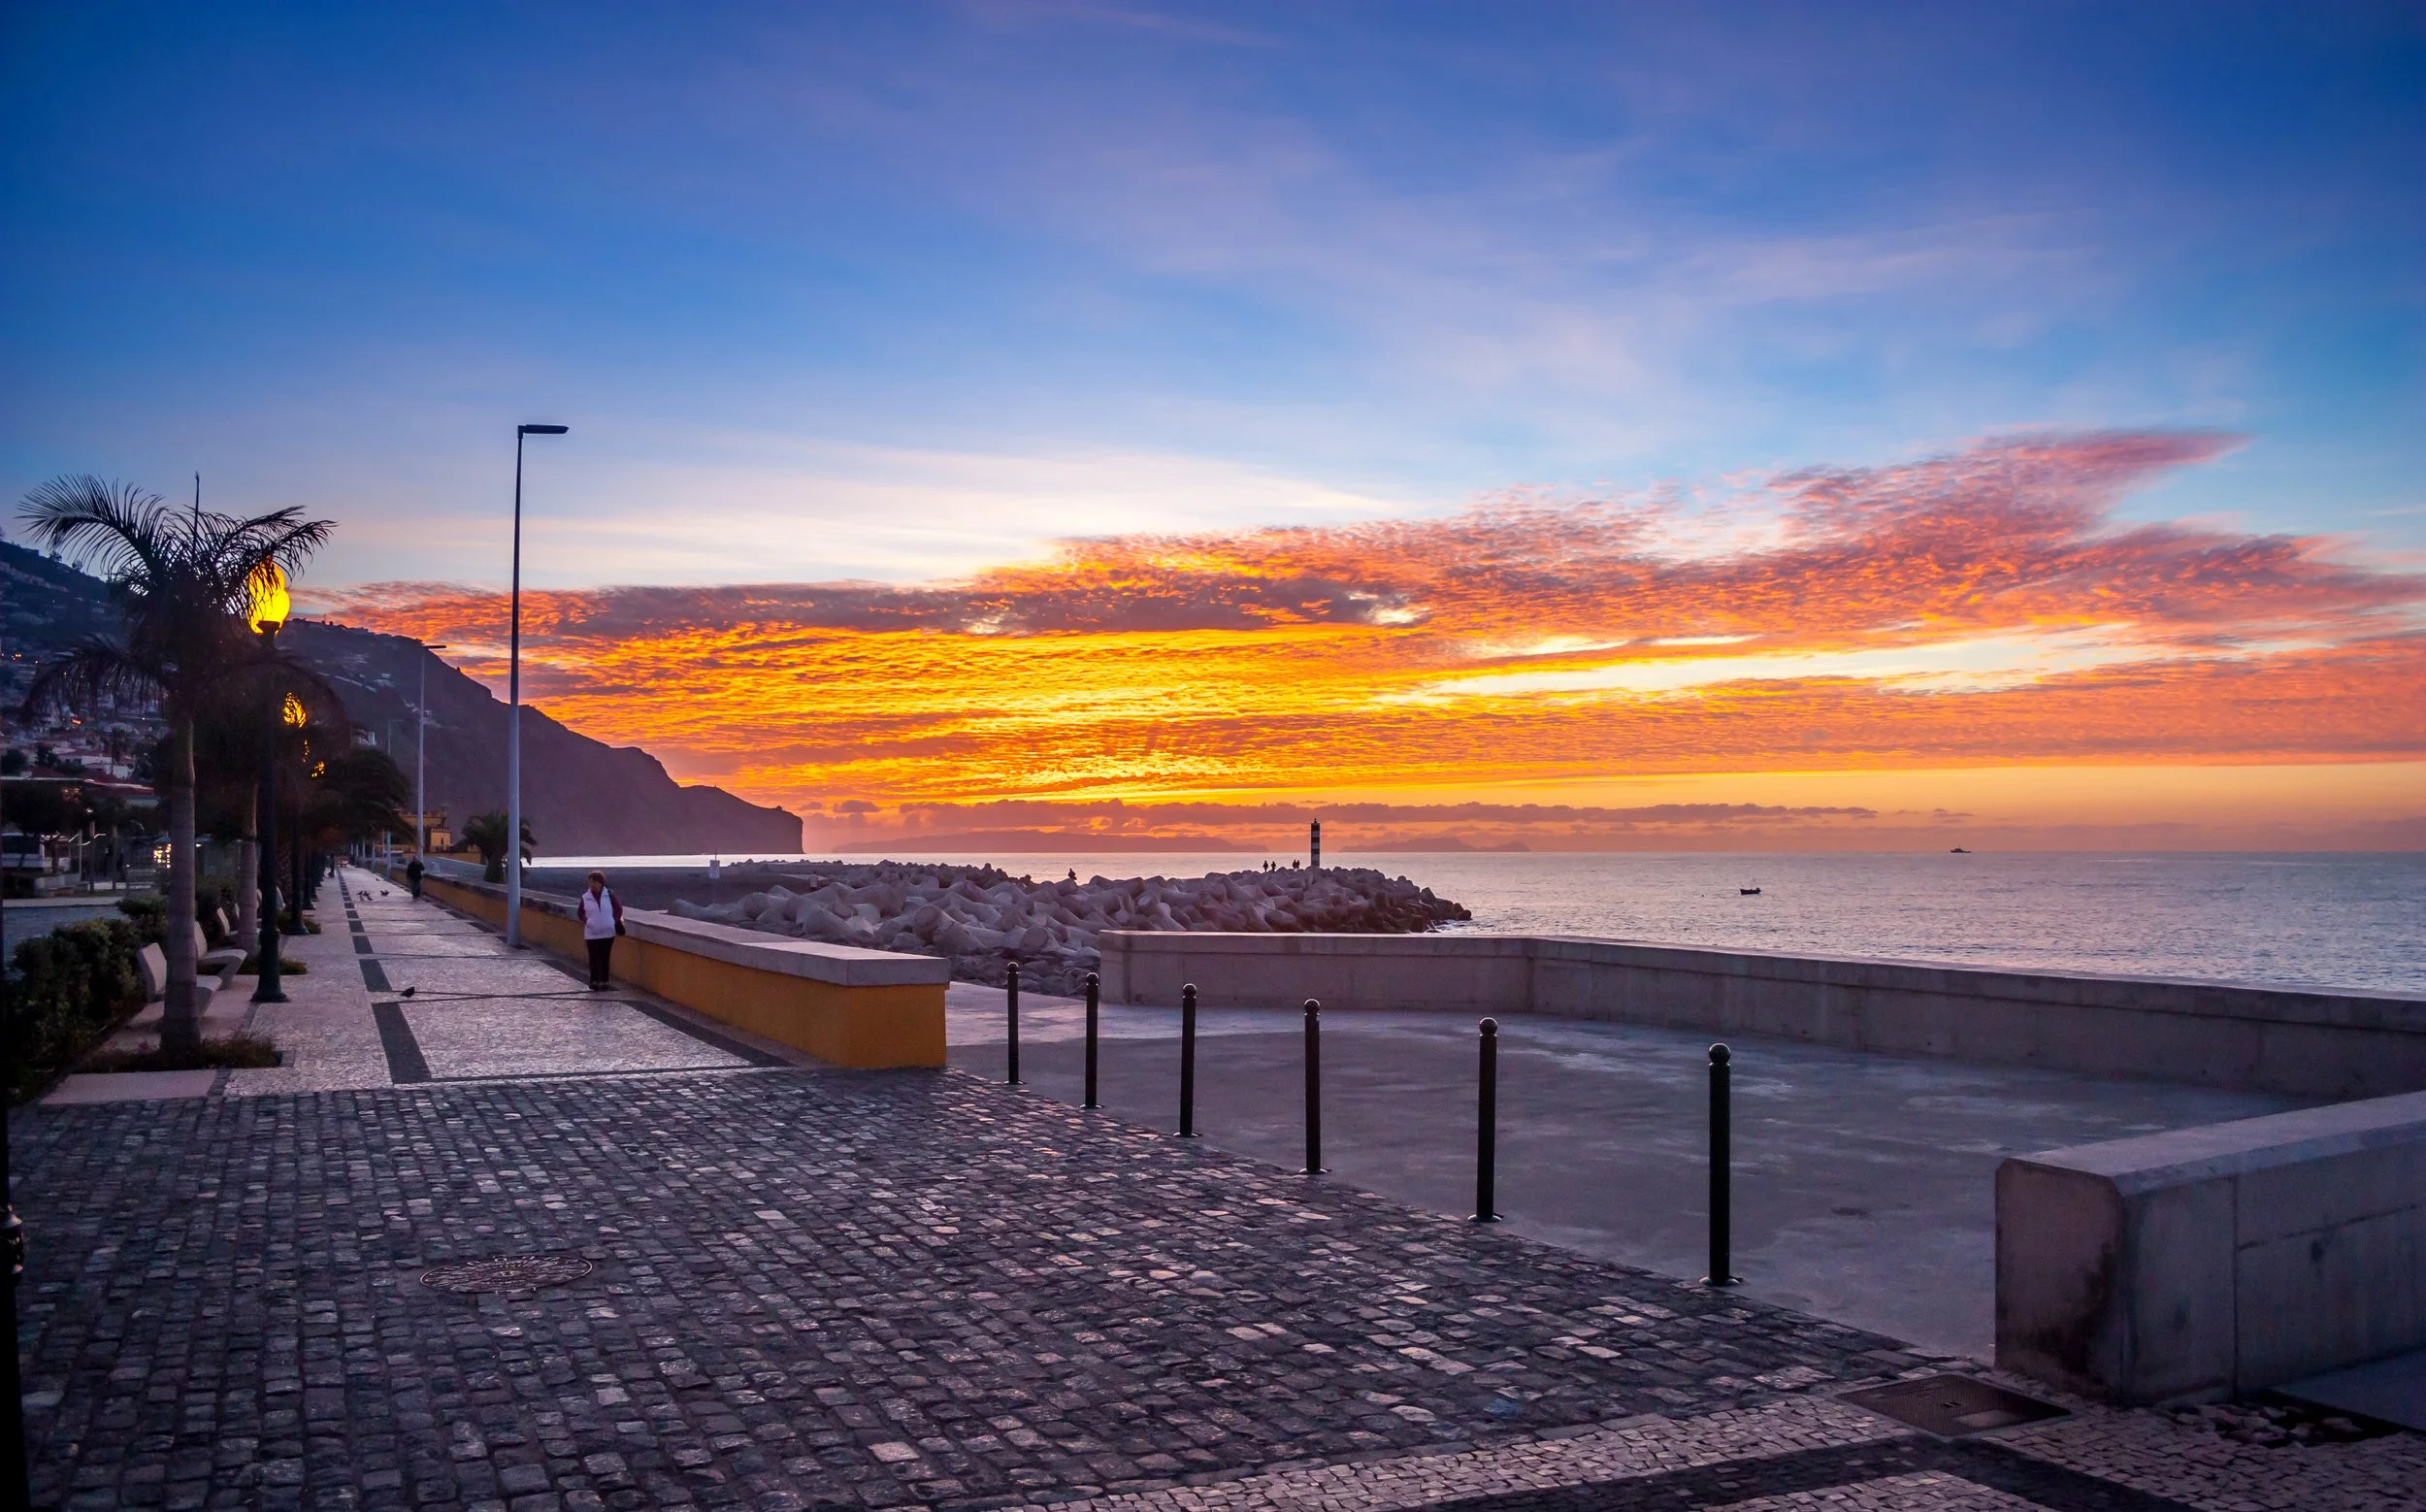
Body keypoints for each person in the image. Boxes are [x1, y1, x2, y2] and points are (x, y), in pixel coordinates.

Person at [576, 871, 625, 989]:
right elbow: (580, 912)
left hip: (608, 932)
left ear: (600, 883)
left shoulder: (609, 894)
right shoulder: (586, 897)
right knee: (593, 957)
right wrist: (587, 922)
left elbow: (618, 908)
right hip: (592, 933)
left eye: (593, 882)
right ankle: (594, 981)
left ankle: (604, 981)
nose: (591, 885)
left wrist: (613, 920)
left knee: (605, 957)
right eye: (590, 882)